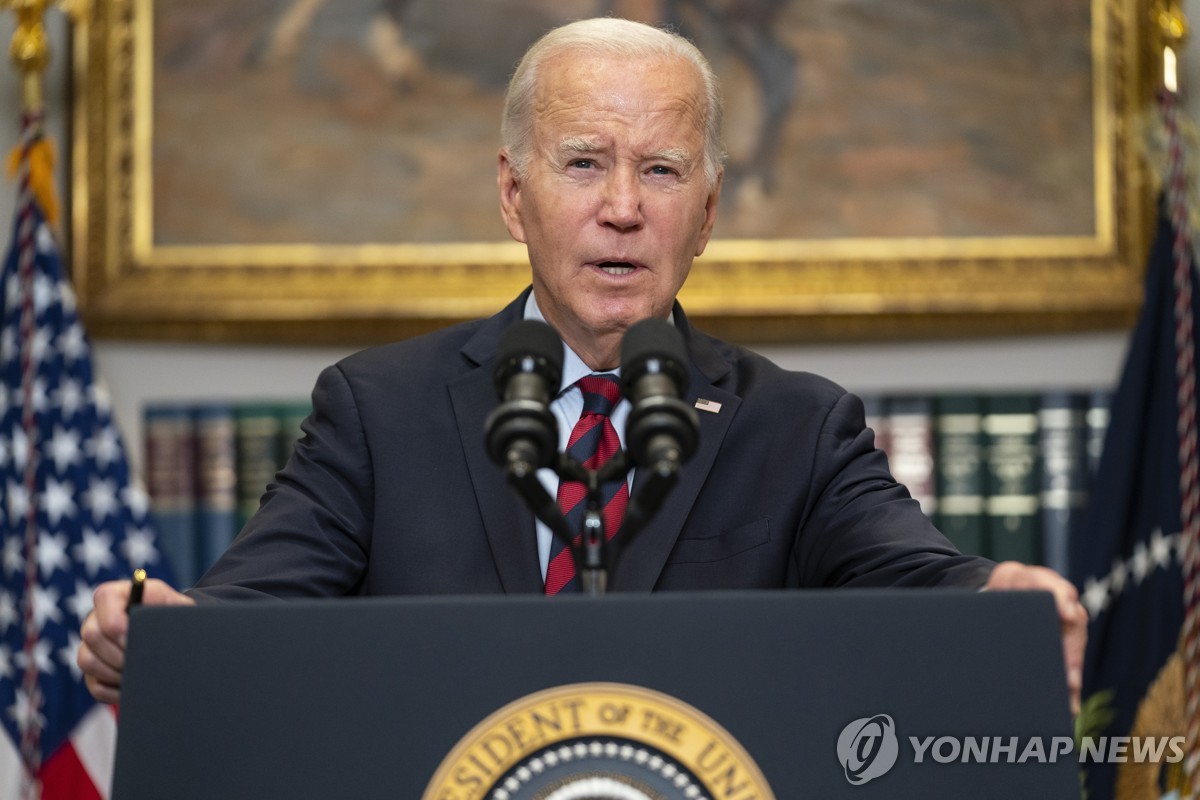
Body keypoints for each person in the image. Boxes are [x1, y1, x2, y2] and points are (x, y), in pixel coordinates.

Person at [78, 17, 1086, 709]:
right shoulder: (379, 411)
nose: (622, 207)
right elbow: (254, 603)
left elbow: (913, 576)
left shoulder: (798, 428)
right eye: (584, 162)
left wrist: (997, 598)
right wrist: (166, 627)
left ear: (708, 211)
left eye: (660, 169)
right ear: (513, 195)